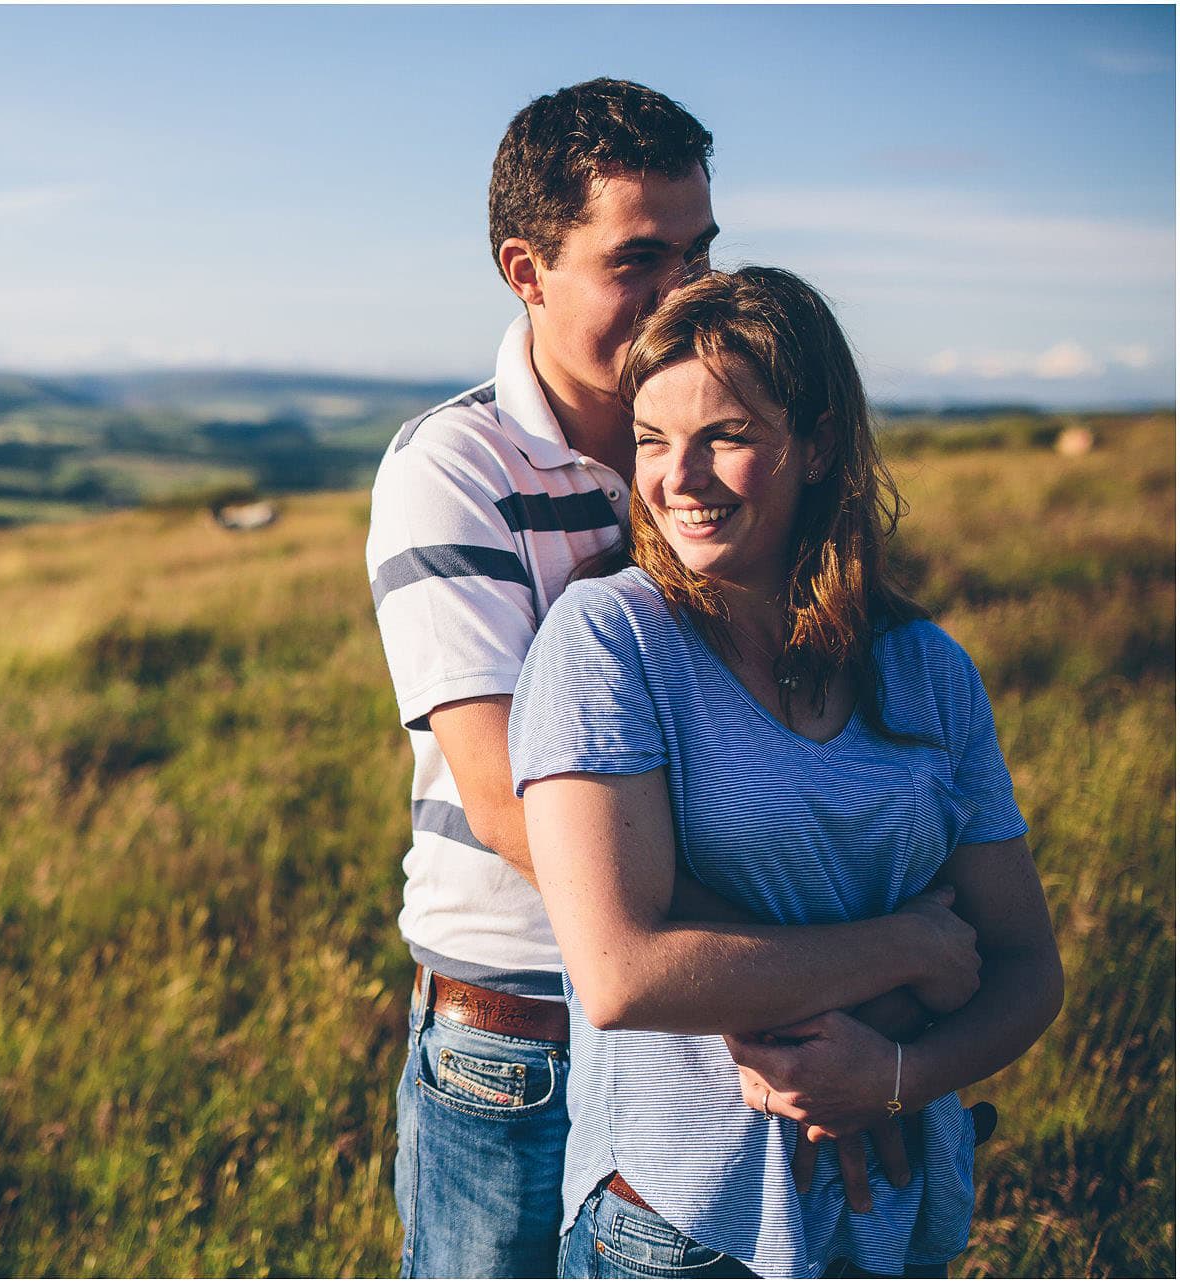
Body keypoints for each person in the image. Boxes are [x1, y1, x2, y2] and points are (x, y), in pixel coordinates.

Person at [364, 79, 947, 1277]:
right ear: (527, 271)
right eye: (639, 259)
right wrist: (850, 965)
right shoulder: (454, 469)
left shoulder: (706, 450)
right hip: (523, 1024)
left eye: (701, 251)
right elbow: (503, 802)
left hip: (706, 1023)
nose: (684, 291)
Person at [508, 267, 1065, 1278]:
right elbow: (621, 972)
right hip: (681, 1228)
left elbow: (1028, 968)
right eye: (651, 441)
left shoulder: (925, 667)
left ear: (814, 446)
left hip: (894, 1228)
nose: (679, 477)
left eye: (724, 435)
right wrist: (907, 945)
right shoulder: (611, 640)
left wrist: (894, 1075)